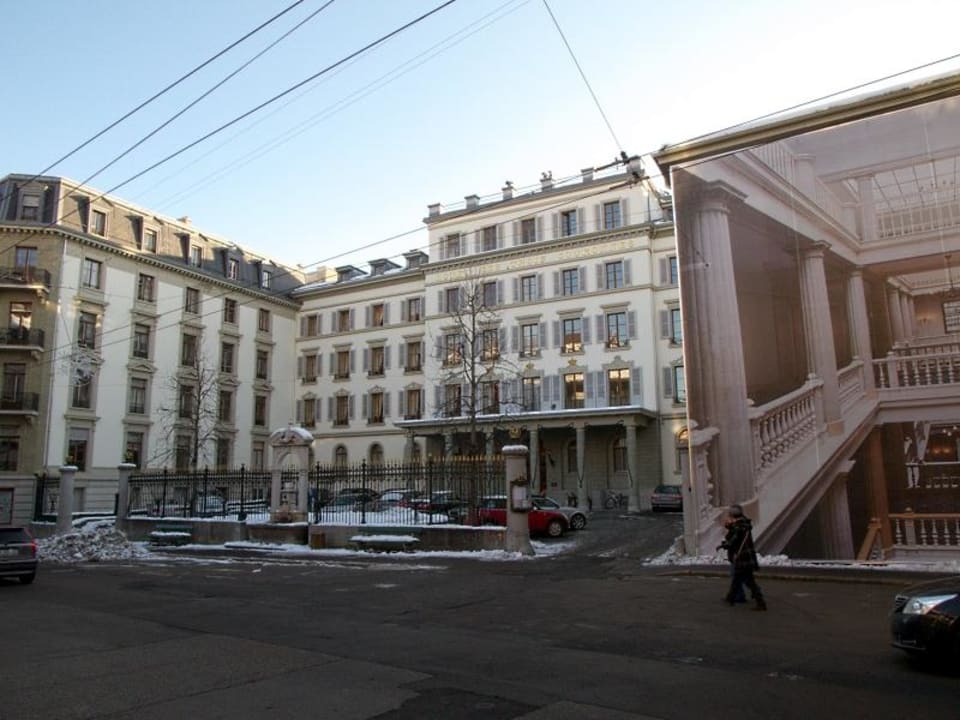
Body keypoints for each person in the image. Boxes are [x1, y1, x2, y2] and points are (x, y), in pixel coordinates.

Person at [718, 504, 766, 611]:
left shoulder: (738, 527)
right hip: (747, 557)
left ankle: (734, 599)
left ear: (732, 515)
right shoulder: (743, 524)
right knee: (744, 580)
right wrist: (730, 526)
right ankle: (732, 598)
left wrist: (723, 545)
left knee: (742, 580)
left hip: (742, 558)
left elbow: (733, 541)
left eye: (729, 515)